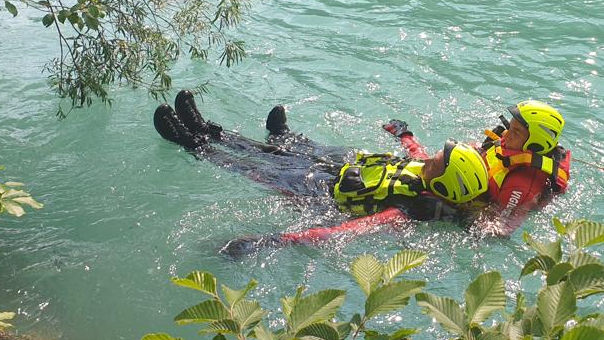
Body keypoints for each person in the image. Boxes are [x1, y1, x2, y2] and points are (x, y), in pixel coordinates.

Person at [153, 91, 488, 253]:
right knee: (273, 153)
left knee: (255, 168)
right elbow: (419, 155)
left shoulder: (404, 212)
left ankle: (192, 143)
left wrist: (275, 240)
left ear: (444, 181)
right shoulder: (431, 175)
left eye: (442, 159)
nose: (435, 156)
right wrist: (404, 136)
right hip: (338, 175)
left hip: (317, 195)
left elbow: (344, 231)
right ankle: (211, 130)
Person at [382, 100, 571, 238]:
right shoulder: (513, 144)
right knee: (438, 163)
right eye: (510, 127)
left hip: (471, 200)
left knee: (417, 202)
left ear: (535, 143)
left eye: (516, 132)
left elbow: (500, 230)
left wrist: (454, 214)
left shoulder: (521, 186)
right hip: (473, 179)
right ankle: (407, 138)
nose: (505, 136)